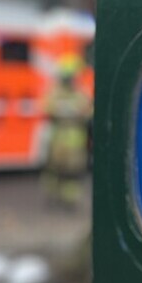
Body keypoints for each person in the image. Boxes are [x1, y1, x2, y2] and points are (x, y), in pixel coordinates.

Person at [42, 54, 93, 208]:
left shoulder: (81, 93)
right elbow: (47, 109)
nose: (71, 80)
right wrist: (70, 111)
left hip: (75, 143)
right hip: (57, 141)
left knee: (73, 174)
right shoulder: (54, 92)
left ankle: (69, 201)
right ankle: (52, 197)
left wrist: (67, 111)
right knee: (53, 171)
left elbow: (88, 111)